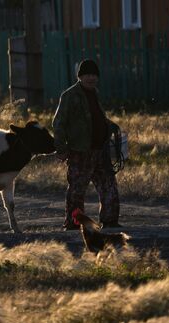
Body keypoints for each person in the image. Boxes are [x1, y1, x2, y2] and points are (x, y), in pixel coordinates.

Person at [52, 59, 121, 230]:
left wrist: (109, 125)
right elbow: (58, 123)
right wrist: (60, 149)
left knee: (109, 185)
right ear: (80, 76)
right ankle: (74, 223)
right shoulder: (69, 95)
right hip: (80, 151)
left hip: (99, 150)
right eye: (87, 75)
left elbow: (93, 118)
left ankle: (110, 220)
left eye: (94, 75)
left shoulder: (94, 93)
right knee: (77, 189)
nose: (91, 78)